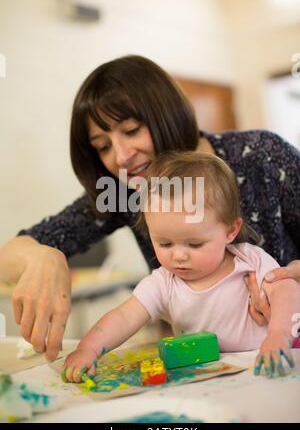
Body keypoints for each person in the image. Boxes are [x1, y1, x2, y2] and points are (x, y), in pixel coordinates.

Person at [0, 55, 300, 361]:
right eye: (103, 146)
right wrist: (40, 256)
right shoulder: (123, 191)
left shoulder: (262, 156)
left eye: (131, 131)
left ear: (166, 113)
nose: (121, 157)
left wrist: (289, 287)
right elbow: (7, 256)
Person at [63, 151, 300, 382]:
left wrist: (278, 334)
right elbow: (124, 317)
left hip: (269, 362)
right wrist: (88, 349)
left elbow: (286, 289)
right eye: (164, 243)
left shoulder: (250, 260)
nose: (178, 255)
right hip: (211, 378)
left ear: (230, 230)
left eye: (194, 243)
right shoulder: (163, 283)